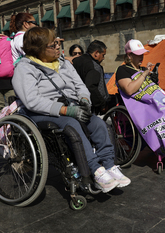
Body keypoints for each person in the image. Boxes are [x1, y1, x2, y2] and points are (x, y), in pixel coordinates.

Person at [12, 27, 130, 193]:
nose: (58, 47)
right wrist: (65, 110)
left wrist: (84, 99)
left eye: (58, 43)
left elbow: (79, 85)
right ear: (39, 49)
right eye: (53, 45)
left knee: (98, 123)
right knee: (71, 124)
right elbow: (32, 101)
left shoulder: (64, 63)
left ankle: (109, 165)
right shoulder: (24, 68)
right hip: (41, 112)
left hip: (71, 105)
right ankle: (95, 170)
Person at [0, 13, 37, 111]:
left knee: (3, 109)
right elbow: (32, 55)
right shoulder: (21, 38)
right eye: (35, 23)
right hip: (15, 79)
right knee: (15, 108)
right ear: (26, 24)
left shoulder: (12, 39)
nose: (37, 25)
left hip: (8, 79)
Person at [73, 40, 115, 115]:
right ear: (96, 53)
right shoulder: (95, 66)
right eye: (103, 55)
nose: (103, 58)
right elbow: (91, 87)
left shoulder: (76, 61)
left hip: (76, 103)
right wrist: (102, 105)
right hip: (91, 107)